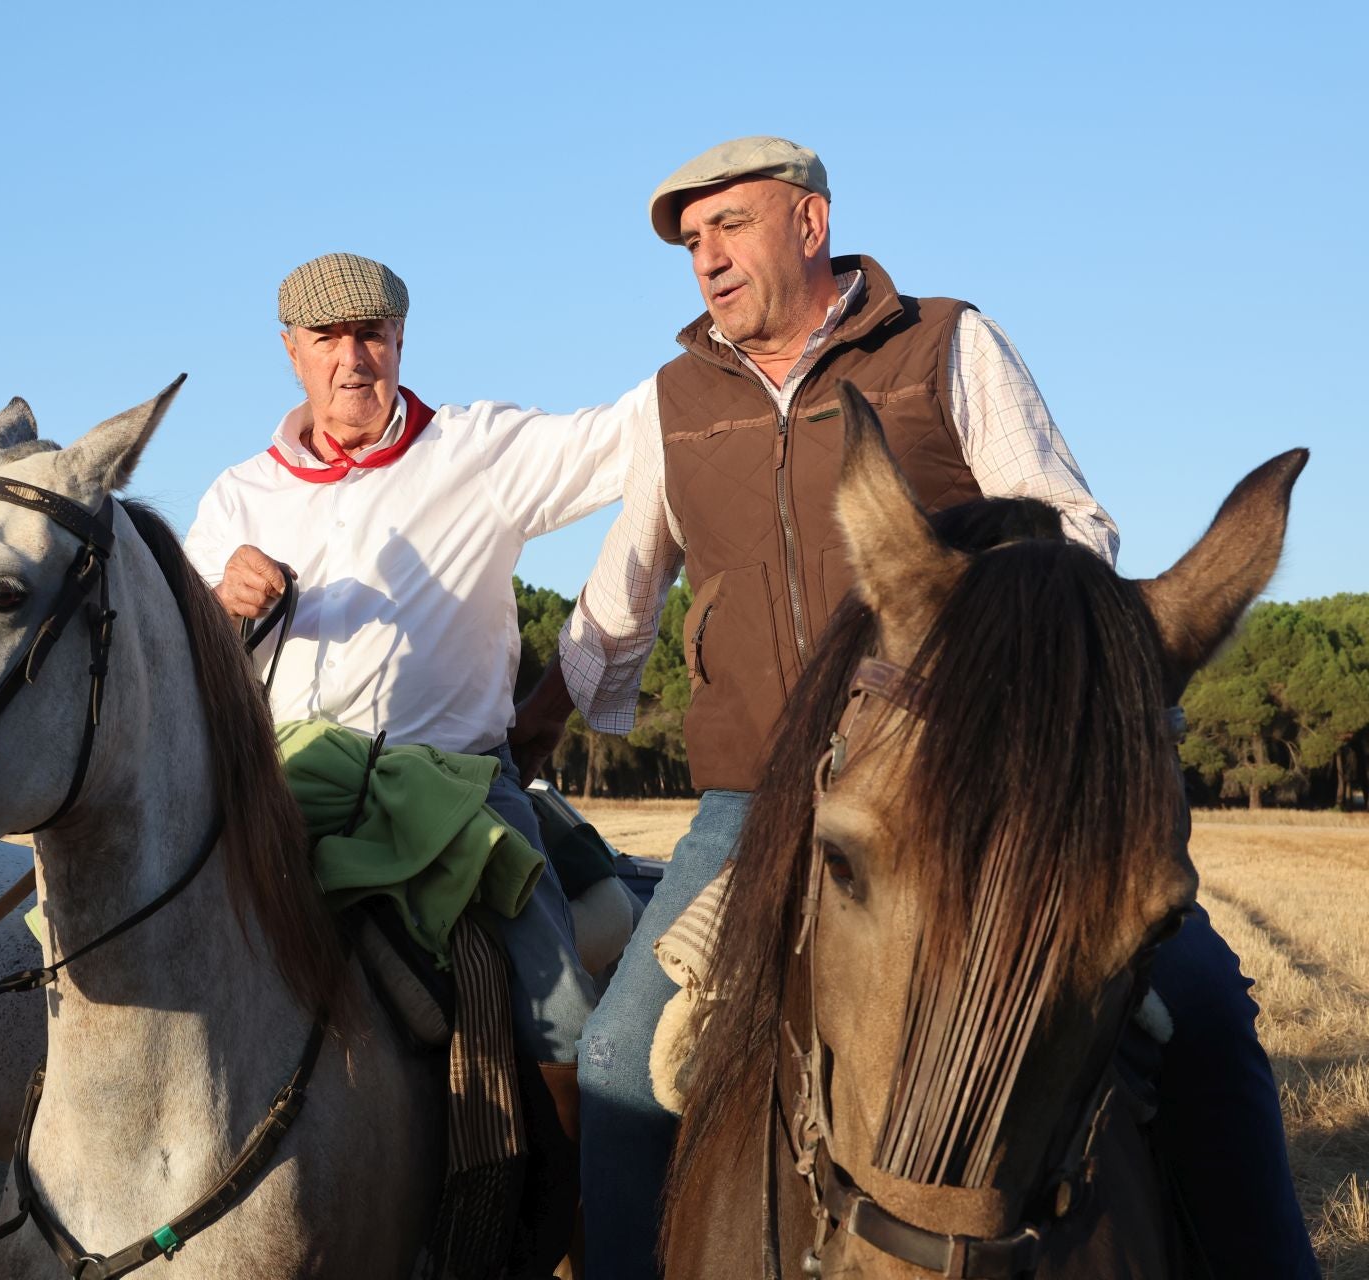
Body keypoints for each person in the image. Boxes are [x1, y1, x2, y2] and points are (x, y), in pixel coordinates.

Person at [514, 135, 1314, 1278]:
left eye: (728, 226)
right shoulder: (674, 398)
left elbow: (1070, 530)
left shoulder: (946, 344)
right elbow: (623, 589)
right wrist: (543, 710)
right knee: (616, 1056)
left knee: (1201, 1012)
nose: (706, 259)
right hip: (753, 798)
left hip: (960, 783)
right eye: (692, 243)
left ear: (808, 222)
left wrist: (958, 623)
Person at [184, 251, 651, 1166]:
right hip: (283, 794)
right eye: (329, 339)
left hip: (461, 790)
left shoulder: (478, 452)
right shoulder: (238, 497)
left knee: (560, 1018)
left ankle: (576, 1225)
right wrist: (216, 605)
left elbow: (640, 432)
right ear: (292, 352)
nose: (353, 358)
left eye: (373, 334)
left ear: (401, 339)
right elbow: (183, 664)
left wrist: (732, 339)